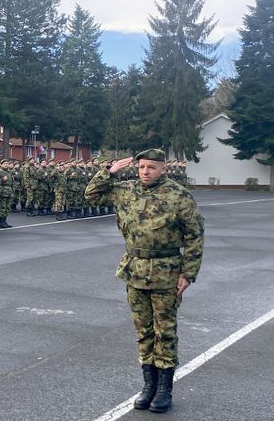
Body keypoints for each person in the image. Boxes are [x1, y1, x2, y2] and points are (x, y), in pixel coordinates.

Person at [84, 148, 204, 414]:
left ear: (163, 168)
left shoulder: (178, 195)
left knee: (165, 331)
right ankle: (148, 386)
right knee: (143, 331)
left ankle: (164, 389)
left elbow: (195, 235)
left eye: (151, 167)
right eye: (141, 167)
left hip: (167, 272)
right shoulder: (126, 189)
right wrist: (109, 172)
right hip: (135, 269)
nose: (145, 172)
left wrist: (188, 272)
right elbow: (91, 195)